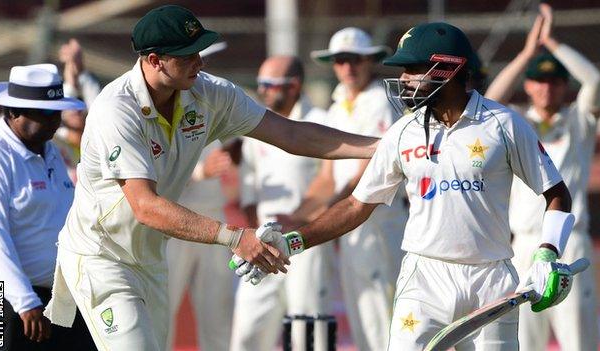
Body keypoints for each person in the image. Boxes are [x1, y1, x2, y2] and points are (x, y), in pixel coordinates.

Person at [42, 5, 379, 351]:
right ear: (155, 60)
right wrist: (235, 237)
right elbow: (146, 206)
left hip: (151, 258)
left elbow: (291, 134)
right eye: (188, 55)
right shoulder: (117, 109)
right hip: (102, 255)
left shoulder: (210, 93)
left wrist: (381, 148)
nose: (200, 63)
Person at [239, 22, 579, 350]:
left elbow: (557, 193)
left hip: (490, 279)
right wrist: (292, 241)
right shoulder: (404, 131)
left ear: (448, 68)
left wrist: (548, 252)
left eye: (412, 69)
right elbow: (357, 205)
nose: (402, 79)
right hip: (424, 278)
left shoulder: (504, 124)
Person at [485, 4, 600, 350]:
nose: (547, 88)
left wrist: (551, 43)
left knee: (578, 340)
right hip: (523, 245)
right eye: (539, 80)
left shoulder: (579, 121)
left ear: (564, 86)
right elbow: (491, 98)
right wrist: (526, 53)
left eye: (554, 81)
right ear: (529, 85)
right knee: (526, 341)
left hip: (569, 242)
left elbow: (594, 80)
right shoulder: (517, 123)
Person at [304, 27, 407, 351]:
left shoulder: (381, 101)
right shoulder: (336, 105)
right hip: (349, 224)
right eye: (341, 60)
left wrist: (326, 214)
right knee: (361, 311)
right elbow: (326, 176)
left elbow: (368, 174)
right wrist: (300, 216)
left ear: (370, 61)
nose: (348, 67)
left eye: (355, 60)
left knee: (383, 313)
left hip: (379, 222)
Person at [230, 56, 334, 351]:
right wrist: (257, 237)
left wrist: (299, 220)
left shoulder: (321, 122)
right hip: (263, 244)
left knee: (309, 332)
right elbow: (248, 193)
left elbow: (330, 183)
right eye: (260, 84)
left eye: (269, 85)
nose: (262, 91)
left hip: (306, 243)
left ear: (294, 86)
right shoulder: (256, 127)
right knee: (247, 332)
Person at [0, 64, 95, 350]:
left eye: (57, 112)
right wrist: (25, 302)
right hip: (8, 299)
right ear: (12, 112)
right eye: (44, 112)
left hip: (62, 296)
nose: (54, 121)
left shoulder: (49, 149)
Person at [165, 41, 236, 351]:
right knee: (162, 306)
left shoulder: (218, 102)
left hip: (215, 220)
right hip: (176, 221)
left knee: (217, 310)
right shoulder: (164, 108)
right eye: (197, 61)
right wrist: (199, 173)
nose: (204, 69)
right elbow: (156, 177)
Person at [55, 38, 102, 182]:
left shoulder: (96, 138)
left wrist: (79, 69)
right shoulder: (56, 140)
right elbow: (66, 95)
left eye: (79, 110)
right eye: (70, 111)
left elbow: (100, 107)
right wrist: (72, 65)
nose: (76, 112)